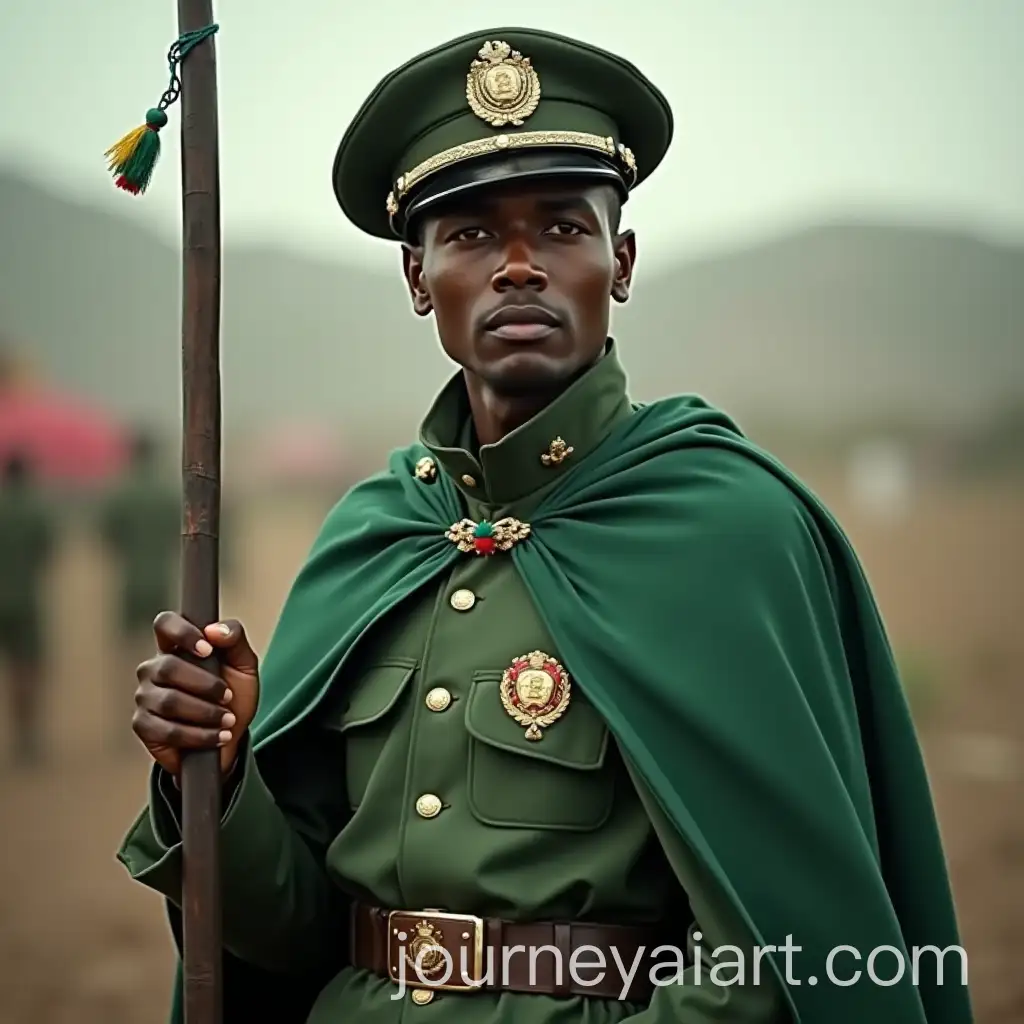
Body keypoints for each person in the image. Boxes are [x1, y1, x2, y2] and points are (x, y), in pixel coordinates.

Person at [117, 27, 973, 1024]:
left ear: (621, 259)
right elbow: (293, 935)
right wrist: (216, 777)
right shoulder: (375, 533)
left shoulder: (730, 530)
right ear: (413, 275)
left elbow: (785, 952)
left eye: (562, 227)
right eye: (472, 234)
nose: (518, 266)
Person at [98, 429, 180, 743]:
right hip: (159, 579)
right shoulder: (166, 494)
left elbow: (108, 537)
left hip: (130, 582)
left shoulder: (122, 494)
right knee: (164, 653)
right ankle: (160, 714)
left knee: (128, 654)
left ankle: (130, 718)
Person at [0, 452, 56, 765]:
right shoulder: (34, 510)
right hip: (25, 599)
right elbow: (45, 552)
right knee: (28, 668)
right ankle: (27, 734)